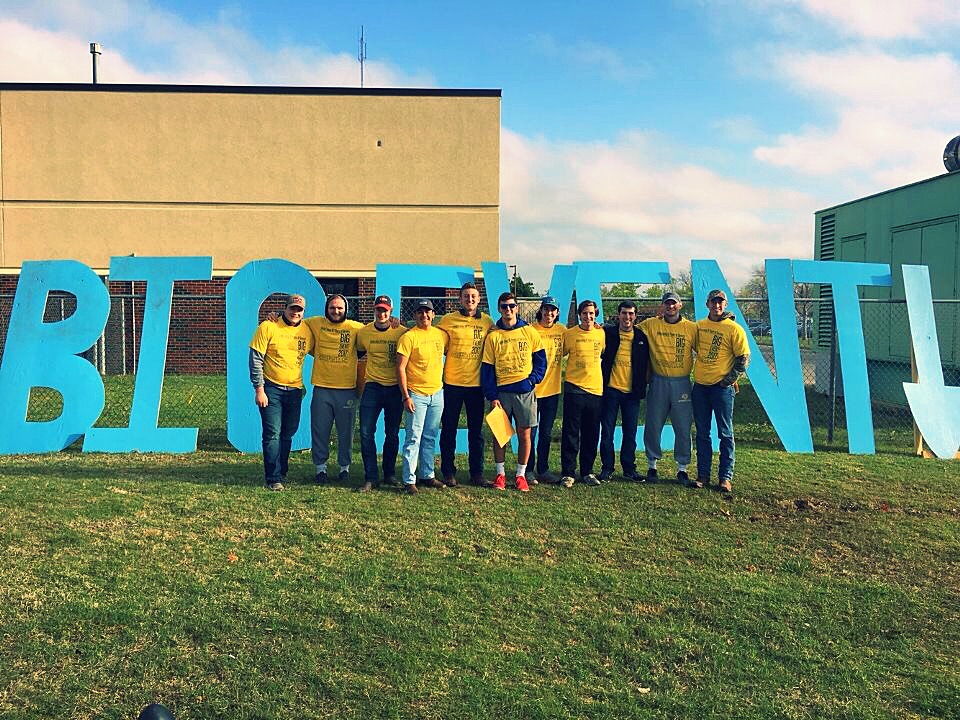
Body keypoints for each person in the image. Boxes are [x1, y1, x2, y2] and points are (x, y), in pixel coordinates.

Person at [480, 291, 547, 491]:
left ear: (517, 308)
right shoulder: (493, 336)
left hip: (524, 392)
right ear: (499, 309)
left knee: (524, 434)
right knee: (500, 435)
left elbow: (541, 361)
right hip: (501, 394)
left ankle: (520, 475)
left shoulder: (529, 332)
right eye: (504, 306)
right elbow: (487, 369)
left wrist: (532, 380)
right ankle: (500, 474)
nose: (508, 309)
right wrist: (492, 396)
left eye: (511, 306)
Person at [249, 293, 314, 490]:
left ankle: (282, 472)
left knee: (288, 433)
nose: (296, 312)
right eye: (292, 308)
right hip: (271, 389)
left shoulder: (307, 330)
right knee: (272, 434)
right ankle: (273, 478)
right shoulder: (268, 326)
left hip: (295, 390)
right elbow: (256, 359)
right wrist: (259, 389)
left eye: (299, 310)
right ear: (284, 308)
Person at [692, 289, 750, 494]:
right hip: (700, 387)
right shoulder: (699, 326)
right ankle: (703, 474)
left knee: (725, 433)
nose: (717, 305)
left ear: (725, 305)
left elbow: (743, 358)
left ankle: (725, 477)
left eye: (720, 302)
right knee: (702, 433)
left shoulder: (734, 329)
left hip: (721, 389)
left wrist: (728, 381)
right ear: (707, 304)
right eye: (713, 302)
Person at [437, 282, 494, 487]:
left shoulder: (487, 321)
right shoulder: (447, 320)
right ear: (459, 299)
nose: (470, 299)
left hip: (476, 386)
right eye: (466, 296)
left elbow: (505, 332)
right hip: (452, 384)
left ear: (479, 299)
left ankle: (477, 473)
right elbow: (430, 337)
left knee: (476, 432)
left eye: (473, 296)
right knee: (449, 429)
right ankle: (448, 472)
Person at [304, 294, 364, 484]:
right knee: (320, 430)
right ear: (326, 309)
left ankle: (344, 468)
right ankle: (320, 468)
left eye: (340, 308)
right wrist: (277, 316)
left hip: (347, 389)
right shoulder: (315, 323)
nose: (336, 311)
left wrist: (393, 323)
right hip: (322, 387)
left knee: (346, 432)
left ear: (346, 309)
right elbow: (293, 323)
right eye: (332, 307)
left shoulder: (356, 328)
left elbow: (377, 333)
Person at [640, 291, 699, 485]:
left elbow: (706, 351)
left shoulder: (691, 328)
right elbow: (628, 329)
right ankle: (652, 465)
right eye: (667, 303)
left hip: (681, 383)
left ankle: (682, 468)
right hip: (658, 381)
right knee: (653, 423)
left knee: (683, 425)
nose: (670, 306)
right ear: (662, 306)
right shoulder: (651, 324)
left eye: (674, 303)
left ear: (680, 305)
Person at [355, 294, 408, 492]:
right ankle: (371, 477)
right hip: (373, 386)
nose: (382, 313)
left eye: (385, 310)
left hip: (394, 387)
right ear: (374, 310)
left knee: (392, 433)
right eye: (378, 309)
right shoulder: (364, 333)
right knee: (366, 432)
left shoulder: (401, 332)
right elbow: (357, 352)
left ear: (391, 311)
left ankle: (389, 474)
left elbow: (417, 338)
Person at [396, 299, 449, 494]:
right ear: (415, 315)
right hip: (416, 394)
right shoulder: (409, 337)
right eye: (420, 312)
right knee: (413, 437)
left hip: (437, 393)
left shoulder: (440, 335)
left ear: (433, 315)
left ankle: (427, 475)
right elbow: (400, 368)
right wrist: (406, 396)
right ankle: (409, 479)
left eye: (428, 312)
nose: (424, 315)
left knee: (430, 436)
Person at [598, 300, 650, 482]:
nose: (627, 317)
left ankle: (629, 468)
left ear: (635, 316)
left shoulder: (642, 337)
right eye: (624, 313)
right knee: (607, 432)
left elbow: (647, 364)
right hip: (610, 391)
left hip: (632, 394)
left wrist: (643, 385)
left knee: (630, 433)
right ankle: (607, 468)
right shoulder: (608, 333)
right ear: (618, 315)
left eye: (631, 313)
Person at [560, 299, 606, 488]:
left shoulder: (601, 333)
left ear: (596, 315)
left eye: (591, 313)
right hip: (574, 389)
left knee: (591, 433)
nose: (588, 316)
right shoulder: (569, 334)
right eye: (585, 313)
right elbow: (559, 354)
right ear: (579, 315)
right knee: (571, 433)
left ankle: (587, 472)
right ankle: (568, 473)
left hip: (595, 391)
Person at [528, 295, 565, 484]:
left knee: (546, 433)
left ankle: (542, 469)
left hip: (552, 390)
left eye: (552, 310)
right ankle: (528, 470)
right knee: (531, 433)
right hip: (533, 391)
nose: (549, 313)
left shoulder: (562, 331)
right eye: (546, 309)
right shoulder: (531, 330)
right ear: (541, 310)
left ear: (557, 313)